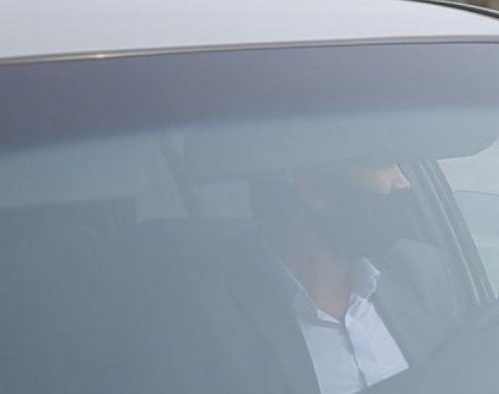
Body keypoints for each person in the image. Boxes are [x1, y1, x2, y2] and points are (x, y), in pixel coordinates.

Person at [131, 159, 463, 394]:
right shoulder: (203, 319)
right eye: (382, 163)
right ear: (315, 189)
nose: (403, 181)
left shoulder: (423, 272)